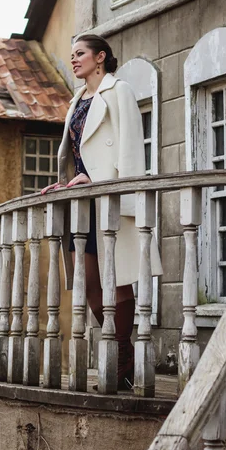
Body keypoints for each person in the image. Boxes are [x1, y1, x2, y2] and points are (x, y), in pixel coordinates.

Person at [41, 34, 162, 389]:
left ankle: (123, 359)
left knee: (118, 278)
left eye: (80, 54)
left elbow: (129, 148)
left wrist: (122, 194)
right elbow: (78, 156)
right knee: (88, 282)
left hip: (110, 198)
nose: (74, 59)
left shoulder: (118, 91)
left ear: (100, 57)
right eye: (72, 53)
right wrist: (64, 183)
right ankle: (121, 353)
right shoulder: (77, 99)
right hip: (83, 201)